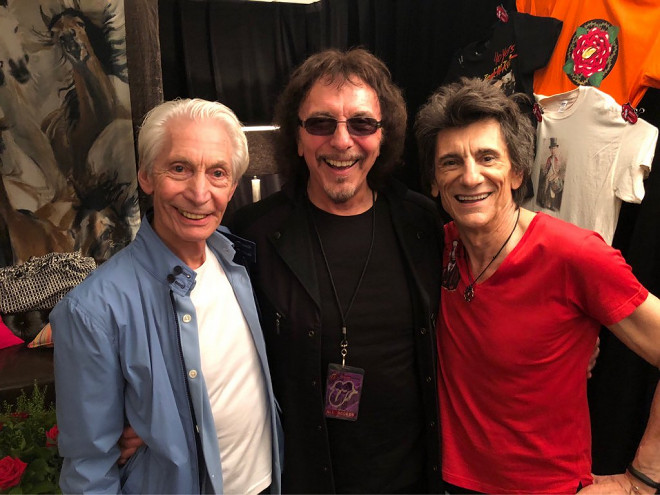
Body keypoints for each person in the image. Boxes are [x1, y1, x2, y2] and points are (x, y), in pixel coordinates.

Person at [414, 76, 660, 494]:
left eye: (487, 157)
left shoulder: (574, 255)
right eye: (451, 162)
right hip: (447, 481)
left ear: (517, 172)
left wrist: (642, 479)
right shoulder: (438, 248)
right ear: (435, 181)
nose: (470, 177)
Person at [228, 48, 443, 493]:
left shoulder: (422, 224)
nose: (342, 141)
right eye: (321, 123)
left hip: (413, 480)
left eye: (361, 124)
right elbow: (207, 334)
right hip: (303, 480)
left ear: (383, 136)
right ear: (297, 137)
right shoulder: (253, 234)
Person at [50, 98, 283, 494]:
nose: (199, 193)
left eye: (217, 173)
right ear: (146, 176)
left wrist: (164, 421)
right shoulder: (92, 311)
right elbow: (89, 472)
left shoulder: (237, 259)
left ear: (232, 187)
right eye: (179, 168)